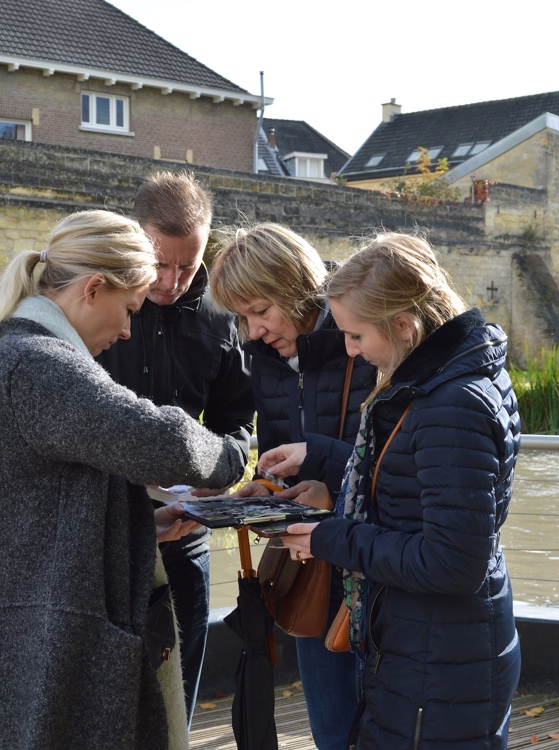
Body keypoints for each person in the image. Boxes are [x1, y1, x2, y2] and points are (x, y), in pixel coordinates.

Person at [265, 233, 523, 749]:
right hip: (429, 648)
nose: (350, 350)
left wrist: (329, 538)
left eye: (357, 336)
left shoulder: (450, 404)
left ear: (404, 326)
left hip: (439, 660)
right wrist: (320, 457)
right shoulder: (441, 384)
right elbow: (411, 484)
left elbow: (452, 562)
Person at [0, 210, 245, 750]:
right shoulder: (39, 365)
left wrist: (140, 523)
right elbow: (163, 442)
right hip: (50, 633)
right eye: (129, 308)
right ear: (93, 288)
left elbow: (39, 505)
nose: (129, 329)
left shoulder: (21, 351)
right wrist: (231, 458)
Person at [209, 222, 378, 750]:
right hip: (316, 566)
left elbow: (400, 468)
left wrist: (329, 489)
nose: (253, 331)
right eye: (243, 318)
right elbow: (283, 450)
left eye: (261, 311)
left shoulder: (366, 339)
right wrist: (265, 487)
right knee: (330, 729)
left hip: (381, 570)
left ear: (296, 288)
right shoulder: (265, 357)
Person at [97, 171, 254, 726]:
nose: (171, 281)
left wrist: (225, 471)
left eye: (187, 266)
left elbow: (237, 421)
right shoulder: (96, 301)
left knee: (175, 705)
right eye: (159, 263)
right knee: (103, 704)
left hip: (185, 536)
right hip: (104, 533)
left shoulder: (219, 311)